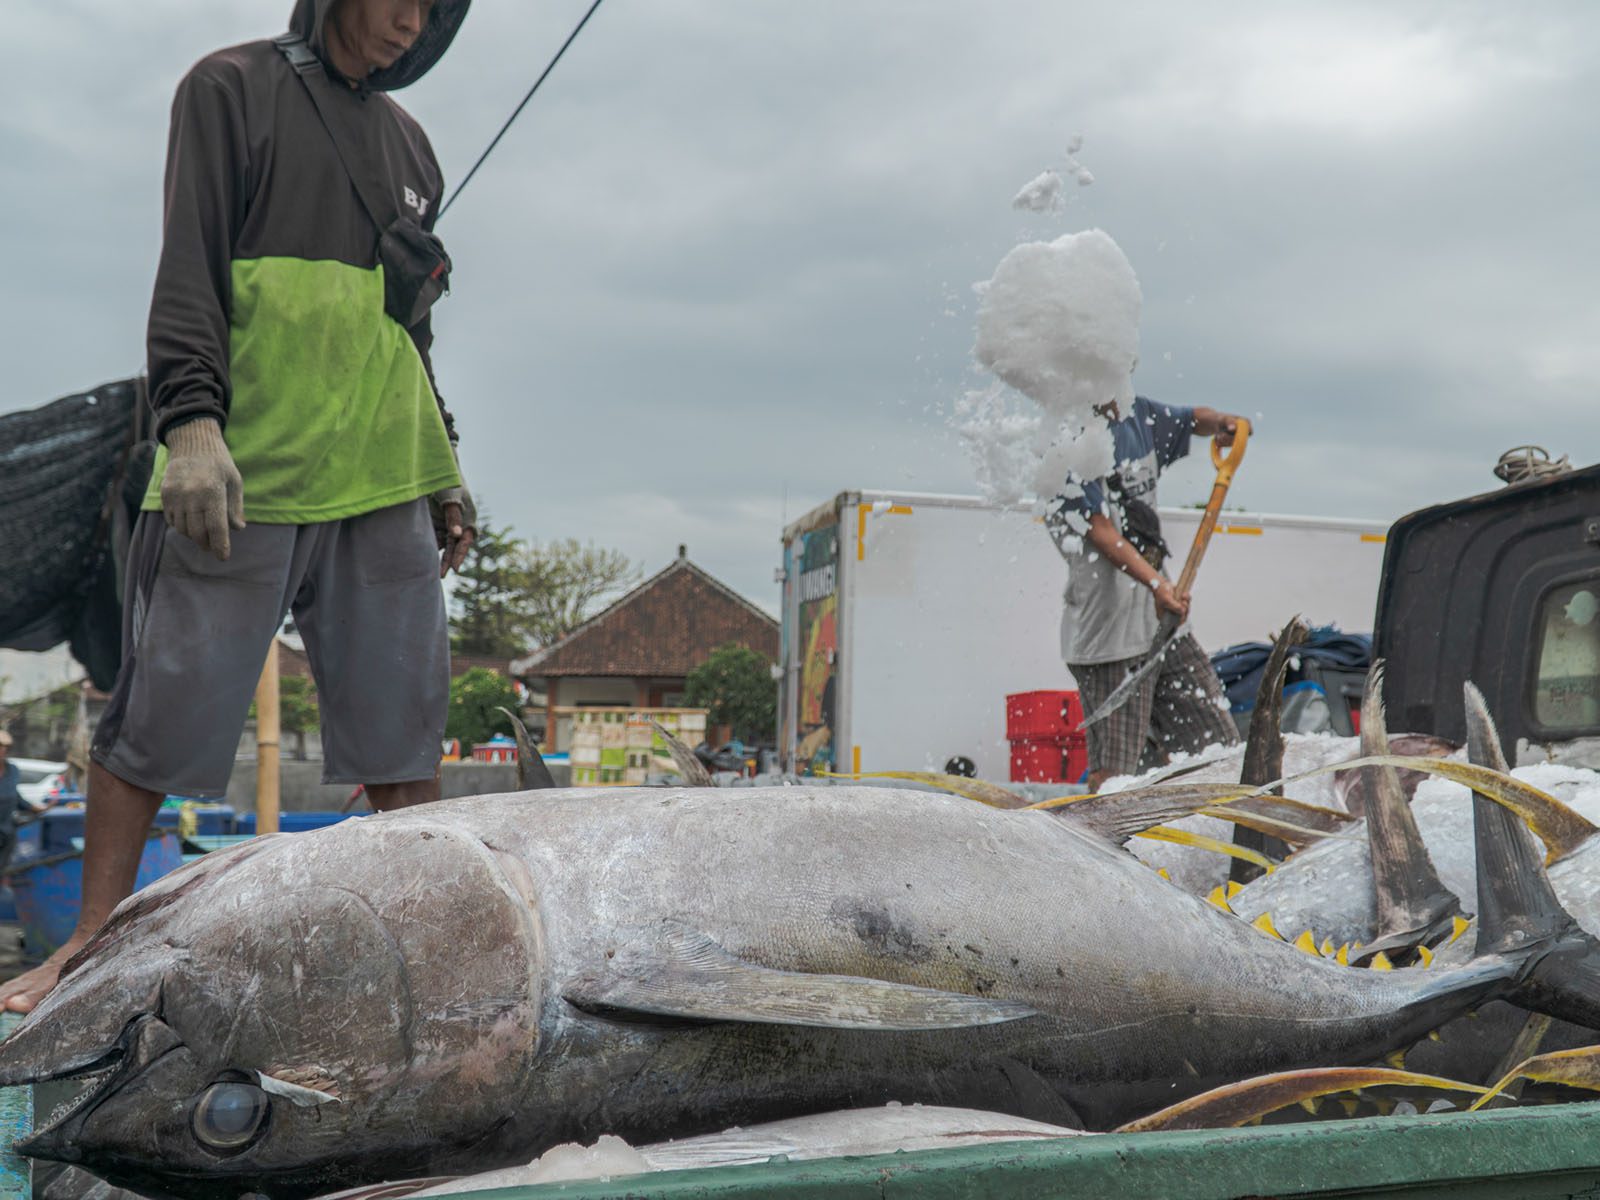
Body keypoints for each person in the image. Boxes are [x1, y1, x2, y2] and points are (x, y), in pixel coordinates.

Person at [0, 0, 475, 1013]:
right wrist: (191, 426)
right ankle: (87, 942)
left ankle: (425, 972)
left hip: (386, 467)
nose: (411, 20)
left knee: (404, 737)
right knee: (159, 713)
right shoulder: (229, 88)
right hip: (248, 462)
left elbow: (411, 329)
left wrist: (444, 464)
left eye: (433, 7)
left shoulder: (412, 147)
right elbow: (190, 267)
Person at [1046, 397, 1245, 792]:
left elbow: (1190, 420)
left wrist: (1224, 422)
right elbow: (1101, 532)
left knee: (1219, 752)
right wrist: (1157, 584)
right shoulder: (1064, 441)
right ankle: (1102, 834)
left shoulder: (1137, 413)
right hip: (1110, 639)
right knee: (1115, 779)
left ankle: (1216, 826)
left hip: (1165, 625)